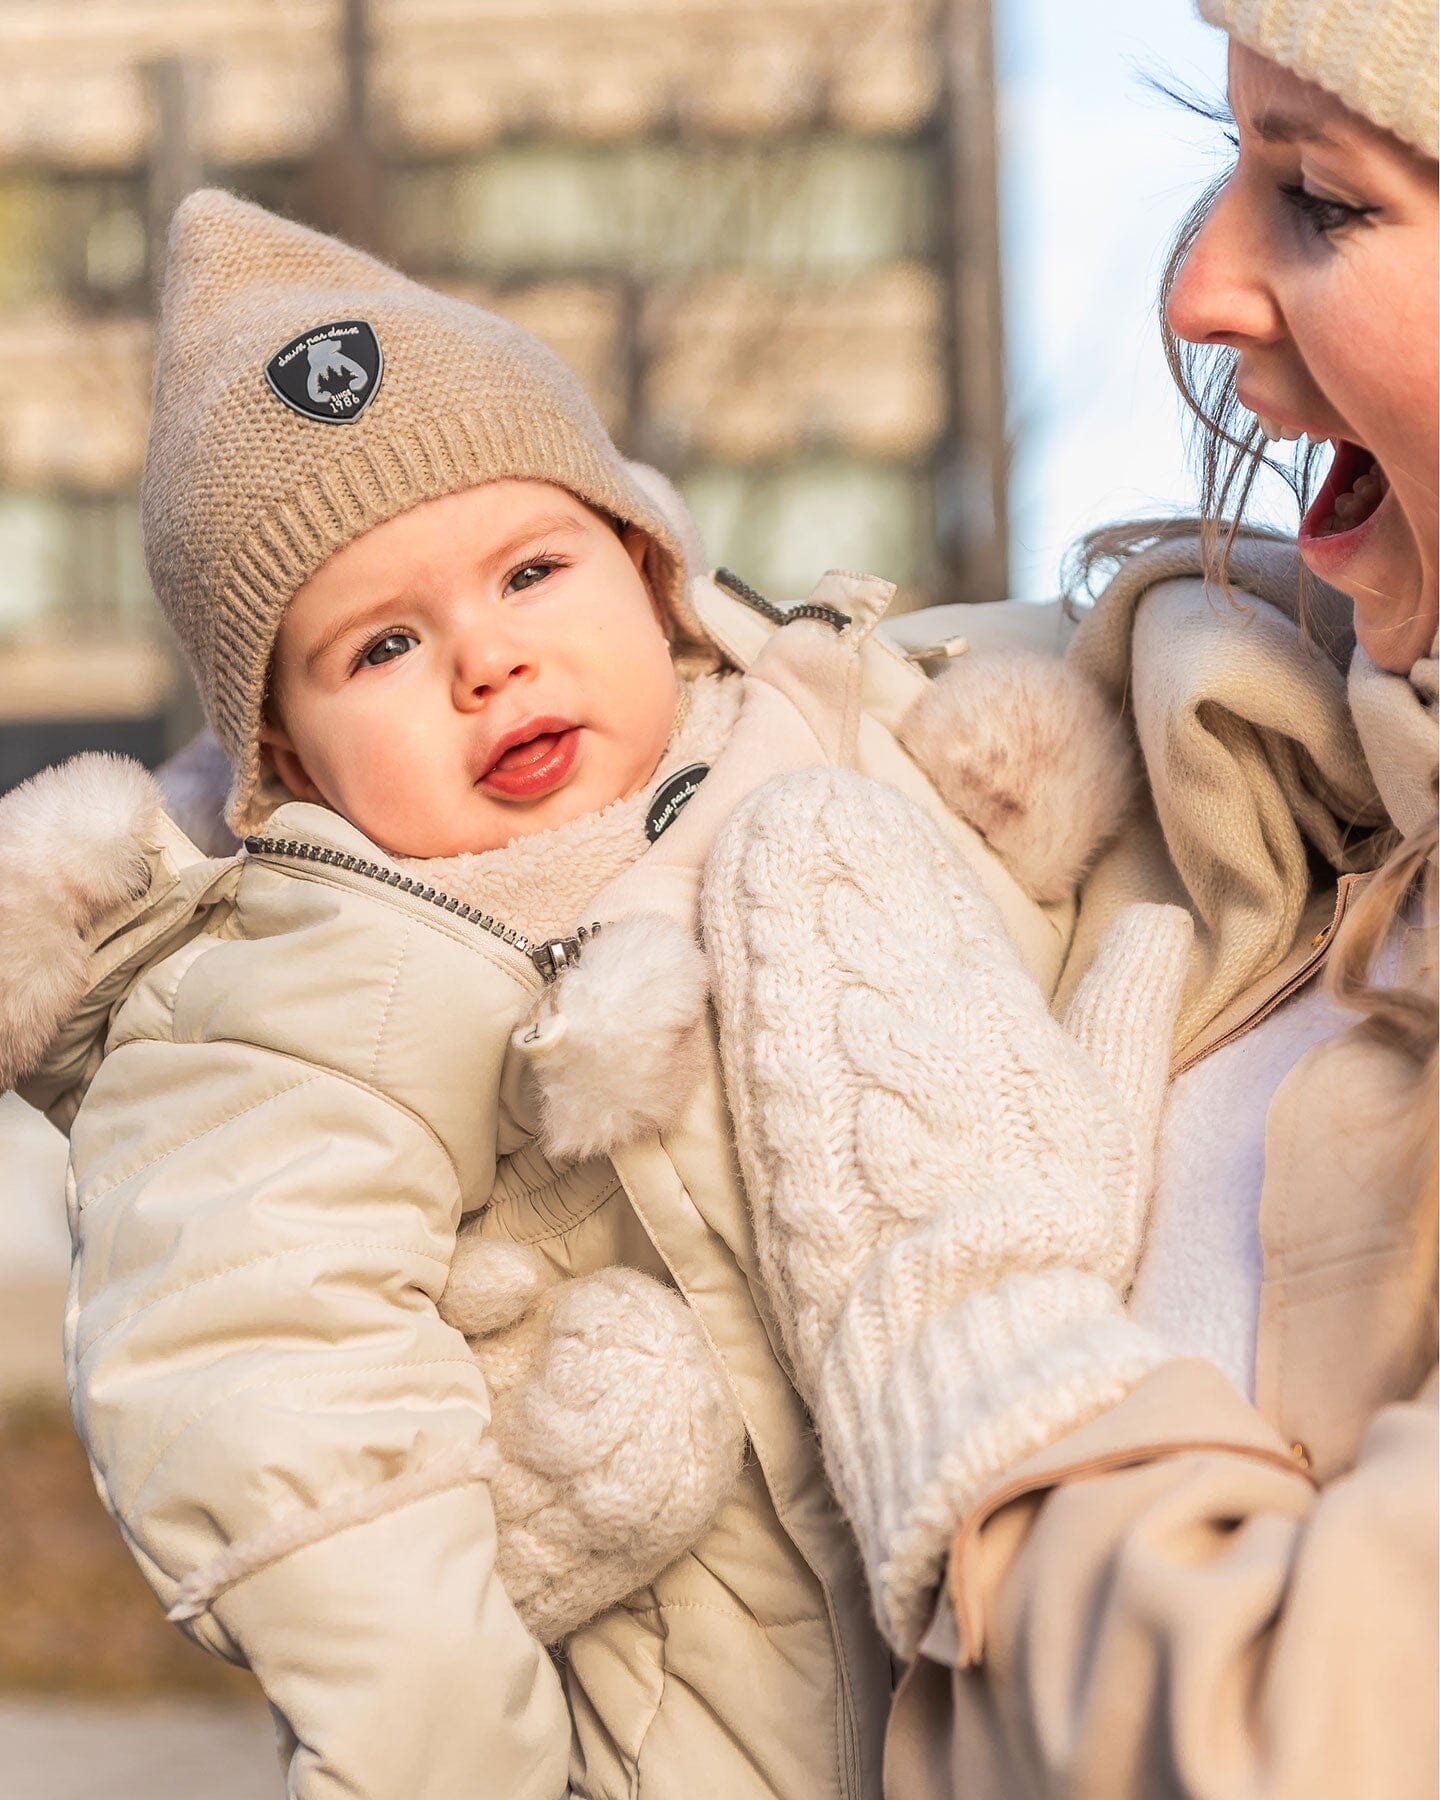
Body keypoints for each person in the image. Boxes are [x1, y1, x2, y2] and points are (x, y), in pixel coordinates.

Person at [0, 190, 1139, 1799]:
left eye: (533, 568)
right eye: (381, 648)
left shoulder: (818, 730)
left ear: (650, 564)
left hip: (1054, 1649)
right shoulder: (298, 988)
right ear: (277, 760)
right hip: (707, 1737)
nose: (488, 662)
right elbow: (275, 1412)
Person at [701, 0, 1439, 1793]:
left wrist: (964, 1345)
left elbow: (1305, 1745)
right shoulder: (1232, 755)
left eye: (1323, 203)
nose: (1197, 287)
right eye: (1228, 157)